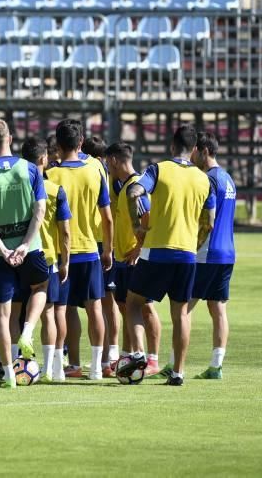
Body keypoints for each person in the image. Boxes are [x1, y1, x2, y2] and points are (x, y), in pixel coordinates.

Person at [119, 125, 215, 386]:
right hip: (186, 255)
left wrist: (137, 224)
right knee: (181, 313)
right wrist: (195, 244)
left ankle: (138, 353)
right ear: (194, 150)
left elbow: (134, 191)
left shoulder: (157, 169)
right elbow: (209, 222)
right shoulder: (204, 179)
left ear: (172, 146)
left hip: (156, 251)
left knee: (134, 302)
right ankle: (178, 372)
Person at [0, 121, 48, 388]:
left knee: (2, 314)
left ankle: (9, 374)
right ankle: (28, 330)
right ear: (11, 138)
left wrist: (3, 248)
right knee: (40, 286)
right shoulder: (29, 168)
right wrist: (26, 245)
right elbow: (39, 210)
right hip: (30, 246)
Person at [46, 120, 113, 380]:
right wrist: (108, 249)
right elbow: (107, 217)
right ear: (81, 142)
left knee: (62, 309)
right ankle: (96, 367)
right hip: (89, 250)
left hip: (61, 253)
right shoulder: (94, 171)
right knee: (95, 307)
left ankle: (66, 365)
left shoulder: (50, 175)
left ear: (58, 145)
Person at [104, 142, 162, 375]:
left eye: (108, 163)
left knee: (145, 307)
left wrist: (139, 248)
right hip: (121, 258)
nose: (108, 168)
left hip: (134, 259)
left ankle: (153, 360)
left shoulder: (135, 187)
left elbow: (148, 217)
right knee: (126, 307)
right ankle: (129, 357)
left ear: (115, 161)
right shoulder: (123, 185)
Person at [21, 136, 71, 383]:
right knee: (49, 313)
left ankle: (13, 364)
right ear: (44, 160)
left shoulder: (16, 186)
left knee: (14, 312)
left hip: (16, 254)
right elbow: (65, 231)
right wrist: (66, 261)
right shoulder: (54, 189)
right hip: (47, 257)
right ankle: (51, 369)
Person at [187, 131, 235, 380]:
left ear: (204, 151)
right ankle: (216, 366)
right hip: (228, 253)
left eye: (194, 151)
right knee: (218, 308)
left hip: (207, 253)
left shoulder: (209, 180)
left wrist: (192, 245)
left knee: (183, 305)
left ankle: (175, 364)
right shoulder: (228, 179)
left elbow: (209, 220)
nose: (192, 155)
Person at [82, 135, 121, 376]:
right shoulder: (105, 173)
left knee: (104, 300)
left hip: (100, 241)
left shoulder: (99, 171)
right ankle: (109, 354)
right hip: (103, 240)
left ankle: (110, 355)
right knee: (106, 300)